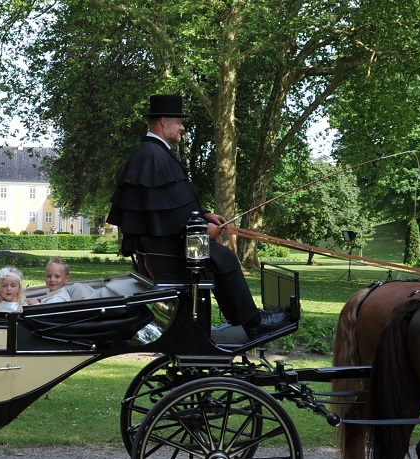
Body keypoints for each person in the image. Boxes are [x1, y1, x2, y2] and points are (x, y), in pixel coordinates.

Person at [107, 94, 286, 343]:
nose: (182, 127)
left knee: (221, 256)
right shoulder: (154, 156)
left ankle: (247, 319)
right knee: (225, 257)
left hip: (163, 249)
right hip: (170, 254)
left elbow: (170, 203)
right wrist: (203, 230)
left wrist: (204, 215)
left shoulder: (152, 153)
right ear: (163, 123)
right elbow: (170, 214)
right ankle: (254, 324)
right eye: (179, 122)